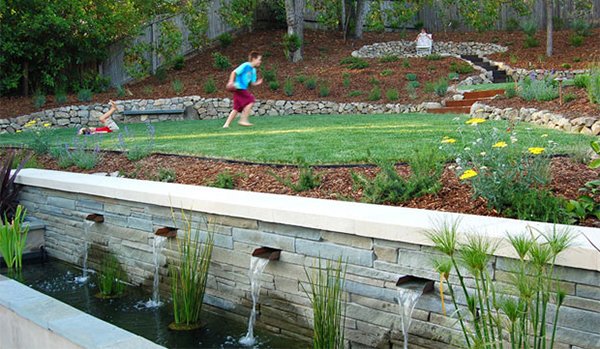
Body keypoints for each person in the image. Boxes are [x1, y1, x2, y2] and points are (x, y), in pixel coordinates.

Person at [223, 51, 263, 128]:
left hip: (242, 88)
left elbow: (252, 83)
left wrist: (257, 83)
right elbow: (234, 72)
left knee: (236, 108)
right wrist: (231, 82)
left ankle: (226, 125)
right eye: (259, 59)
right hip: (238, 87)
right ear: (254, 59)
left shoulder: (253, 70)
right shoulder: (245, 65)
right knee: (251, 100)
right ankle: (243, 120)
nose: (260, 61)